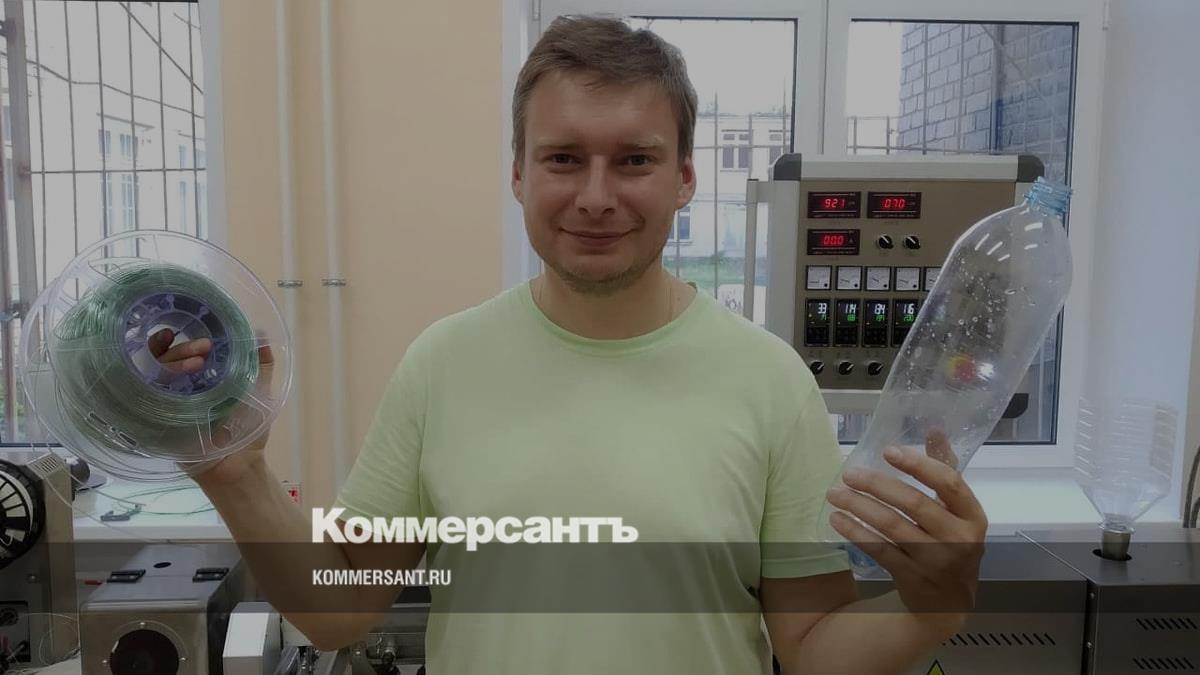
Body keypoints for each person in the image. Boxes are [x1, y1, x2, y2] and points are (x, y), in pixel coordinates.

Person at [171, 14, 987, 674]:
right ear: (519, 173)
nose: (596, 197)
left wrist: (931, 609)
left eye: (633, 160)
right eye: (563, 158)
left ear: (684, 178)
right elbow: (337, 606)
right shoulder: (443, 364)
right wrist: (237, 476)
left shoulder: (769, 381)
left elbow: (810, 647)